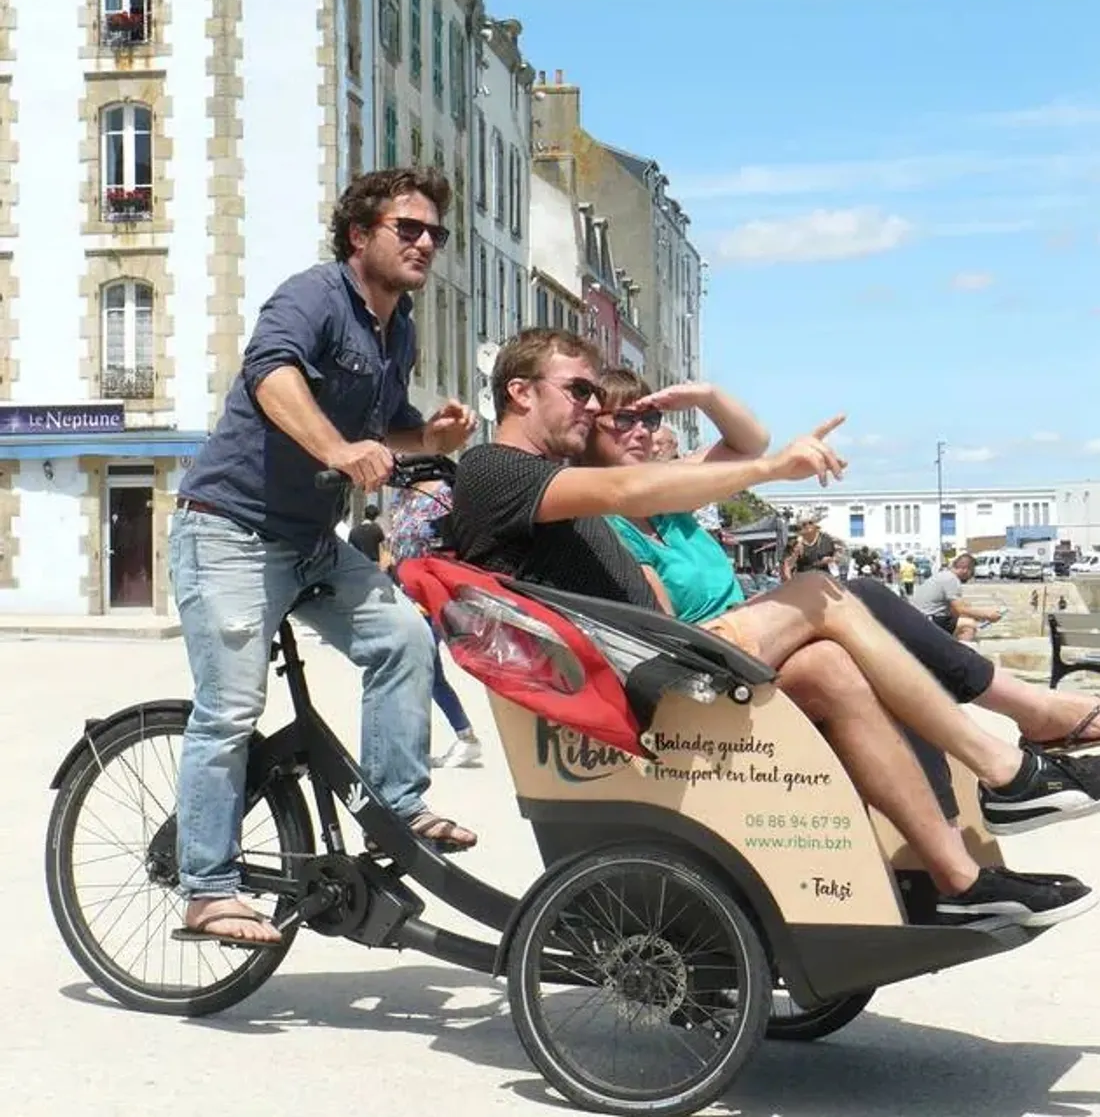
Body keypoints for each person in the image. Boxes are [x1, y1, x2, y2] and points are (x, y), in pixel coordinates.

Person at [449, 329, 1098, 928]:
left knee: (831, 667)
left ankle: (959, 879)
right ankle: (1005, 768)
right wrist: (772, 471)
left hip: (652, 659)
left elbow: (666, 477)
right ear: (520, 391)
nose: (592, 405)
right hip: (636, 674)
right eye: (578, 390)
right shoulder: (496, 469)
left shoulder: (559, 479)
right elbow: (628, 489)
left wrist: (739, 436)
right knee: (825, 592)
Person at [170, 167, 479, 949]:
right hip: (230, 530)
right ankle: (206, 886)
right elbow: (270, 376)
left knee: (404, 637)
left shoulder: (398, 325)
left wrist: (428, 439)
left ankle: (396, 806)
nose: (425, 243)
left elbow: (388, 426)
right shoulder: (313, 296)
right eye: (408, 228)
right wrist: (341, 450)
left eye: (434, 233)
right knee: (231, 711)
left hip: (308, 542)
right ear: (359, 235)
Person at [586, 366, 1100, 787]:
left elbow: (749, 444)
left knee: (870, 633)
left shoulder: (667, 502)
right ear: (588, 428)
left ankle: (952, 841)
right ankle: (1028, 718)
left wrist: (705, 395)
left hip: (749, 639)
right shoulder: (605, 516)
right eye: (625, 420)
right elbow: (660, 627)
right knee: (854, 595)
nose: (644, 432)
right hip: (717, 655)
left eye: (650, 421)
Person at [389, 481, 482, 770]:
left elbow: (455, 547)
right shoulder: (400, 495)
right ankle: (459, 737)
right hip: (402, 592)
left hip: (430, 594)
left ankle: (455, 738)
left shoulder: (442, 493)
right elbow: (393, 544)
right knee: (424, 671)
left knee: (421, 667)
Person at [915, 553, 1003, 643]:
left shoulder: (944, 575)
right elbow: (961, 609)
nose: (971, 576)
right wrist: (987, 614)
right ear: (966, 569)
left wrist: (979, 616)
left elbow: (956, 609)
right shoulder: (952, 579)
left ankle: (950, 645)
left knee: (967, 612)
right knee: (969, 626)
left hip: (920, 618)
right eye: (972, 572)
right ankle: (960, 654)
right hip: (927, 621)